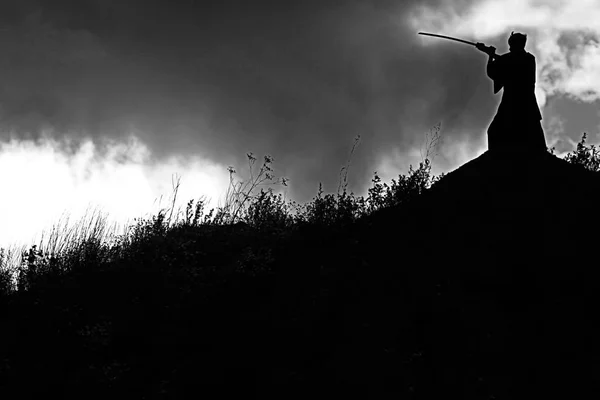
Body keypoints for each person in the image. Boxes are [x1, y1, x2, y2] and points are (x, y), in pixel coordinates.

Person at [476, 32, 547, 153]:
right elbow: (501, 66)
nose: (509, 48)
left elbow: (494, 71)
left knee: (496, 131)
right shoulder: (527, 59)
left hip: (513, 103)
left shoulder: (521, 59)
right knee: (532, 135)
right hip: (526, 103)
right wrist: (491, 55)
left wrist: (491, 55)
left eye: (511, 45)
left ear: (517, 45)